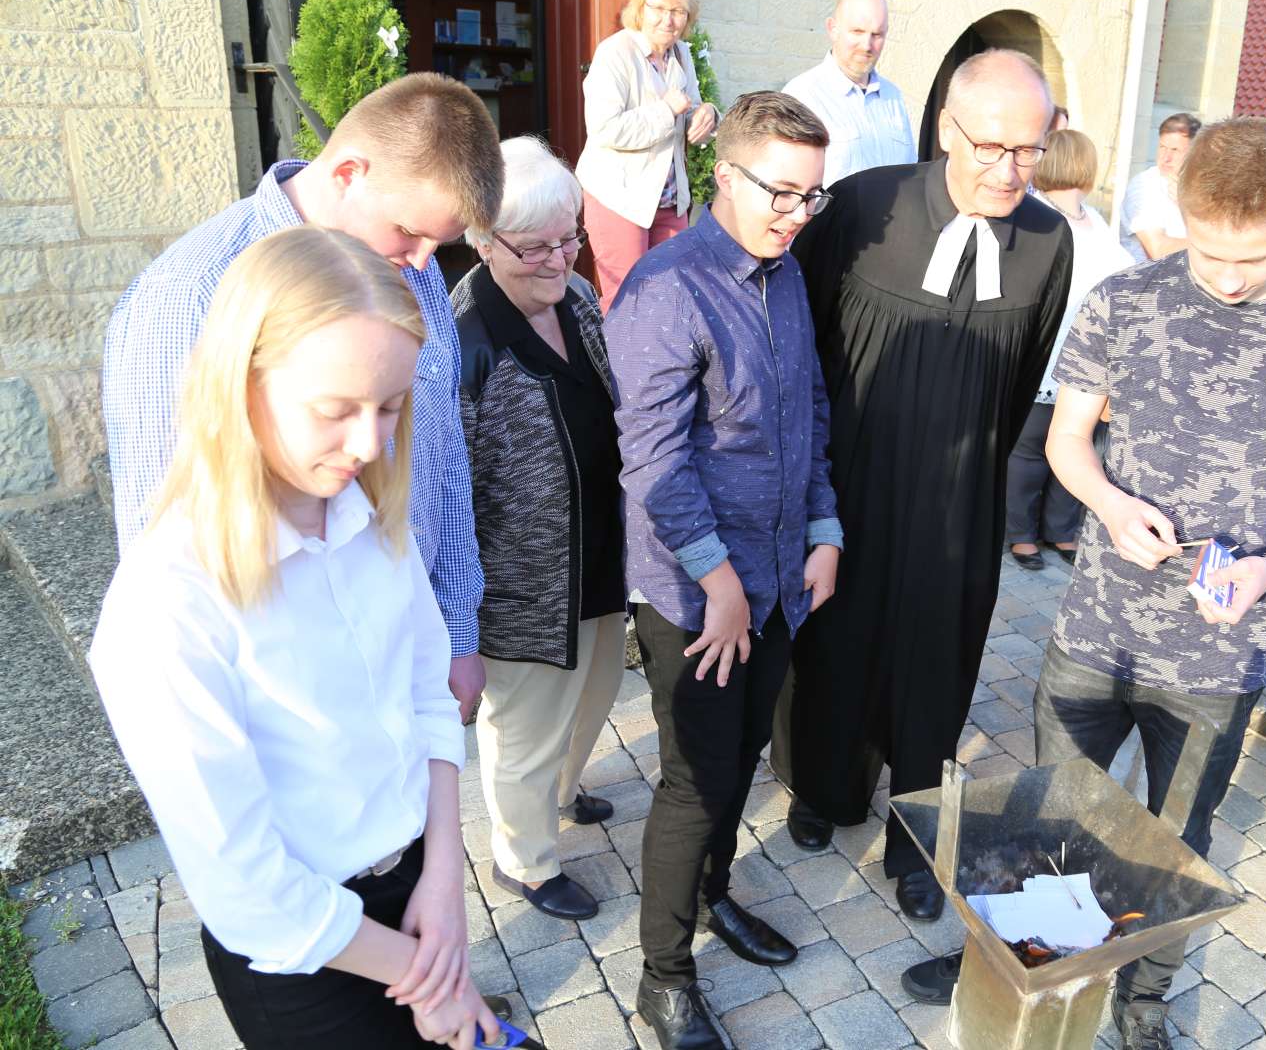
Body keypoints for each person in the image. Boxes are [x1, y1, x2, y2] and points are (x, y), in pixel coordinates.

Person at [902, 118, 1266, 1046]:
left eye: (1255, 253)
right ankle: (1022, 961)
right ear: (1182, 214)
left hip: (1218, 648)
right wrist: (1113, 507)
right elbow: (1065, 442)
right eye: (1209, 251)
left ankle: (1147, 995)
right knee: (1052, 815)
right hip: (1098, 628)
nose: (1229, 277)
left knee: (1174, 839)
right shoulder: (1125, 300)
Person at [89, 227, 501, 1050]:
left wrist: (448, 882)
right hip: (305, 955)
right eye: (334, 410)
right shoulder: (167, 604)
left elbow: (426, 691)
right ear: (240, 386)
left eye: (390, 407)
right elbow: (245, 886)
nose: (370, 444)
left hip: (418, 886)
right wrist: (427, 977)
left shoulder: (367, 512)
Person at [771, 49, 1074, 922]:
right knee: (835, 645)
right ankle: (824, 791)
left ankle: (914, 837)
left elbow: (1021, 378)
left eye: (1030, 150)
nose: (1011, 170)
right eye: (991, 147)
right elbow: (810, 335)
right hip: (851, 485)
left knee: (936, 666)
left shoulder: (1049, 241)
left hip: (960, 496)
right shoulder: (869, 203)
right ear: (947, 129)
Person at [101, 72, 501, 724]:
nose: (426, 264)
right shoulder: (189, 295)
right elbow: (164, 527)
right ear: (349, 172)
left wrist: (457, 629)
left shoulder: (405, 271)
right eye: (409, 231)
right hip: (283, 698)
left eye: (440, 244)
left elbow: (441, 456)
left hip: (407, 654)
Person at [608, 91, 842, 1050]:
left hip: (781, 579)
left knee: (744, 756)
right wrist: (720, 582)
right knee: (694, 782)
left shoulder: (783, 274)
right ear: (725, 174)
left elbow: (812, 408)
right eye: (782, 193)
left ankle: (715, 896)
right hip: (701, 599)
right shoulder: (666, 289)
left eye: (812, 197)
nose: (797, 214)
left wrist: (823, 526)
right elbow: (654, 460)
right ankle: (662, 979)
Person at [454, 136, 624, 924]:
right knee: (523, 727)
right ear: (484, 241)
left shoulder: (578, 298)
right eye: (537, 246)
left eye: (571, 237)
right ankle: (524, 860)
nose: (560, 260)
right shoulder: (464, 341)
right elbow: (449, 495)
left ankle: (564, 789)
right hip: (522, 584)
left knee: (593, 692)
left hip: (597, 552)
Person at [1006, 128, 1133, 571]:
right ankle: (1019, 532)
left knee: (1080, 440)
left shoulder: (1094, 219)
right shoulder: (1035, 212)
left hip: (1092, 350)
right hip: (1048, 345)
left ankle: (1061, 528)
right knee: (1031, 444)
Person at [576, 0, 717, 312]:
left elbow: (692, 105)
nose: (668, 20)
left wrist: (708, 114)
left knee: (671, 295)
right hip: (620, 200)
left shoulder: (681, 53)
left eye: (678, 11)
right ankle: (618, 367)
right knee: (627, 301)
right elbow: (605, 129)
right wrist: (666, 111)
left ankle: (659, 367)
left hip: (669, 200)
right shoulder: (615, 54)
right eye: (658, 9)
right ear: (640, 8)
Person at [781, 0, 916, 187]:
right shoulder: (802, 96)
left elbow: (910, 173)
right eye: (857, 31)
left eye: (877, 34)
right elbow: (788, 184)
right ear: (832, 29)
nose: (867, 45)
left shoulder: (893, 97)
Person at [1119, 112, 1199, 262]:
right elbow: (1158, 250)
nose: (1165, 157)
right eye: (1162, 147)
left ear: (1195, 154)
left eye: (1175, 150)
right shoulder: (1144, 185)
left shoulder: (1201, 186)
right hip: (1147, 281)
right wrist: (1217, 245)